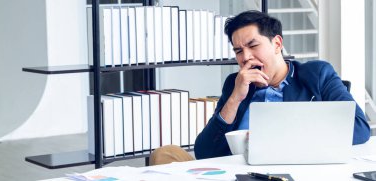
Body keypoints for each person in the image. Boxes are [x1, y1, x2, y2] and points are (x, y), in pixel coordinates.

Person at [149, 10, 371, 165]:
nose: (245, 57)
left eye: (253, 45)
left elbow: (360, 128)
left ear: (277, 44)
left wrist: (281, 141)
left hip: (288, 168)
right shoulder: (235, 83)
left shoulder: (316, 74)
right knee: (164, 154)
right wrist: (235, 98)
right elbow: (205, 152)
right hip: (234, 169)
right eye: (238, 51)